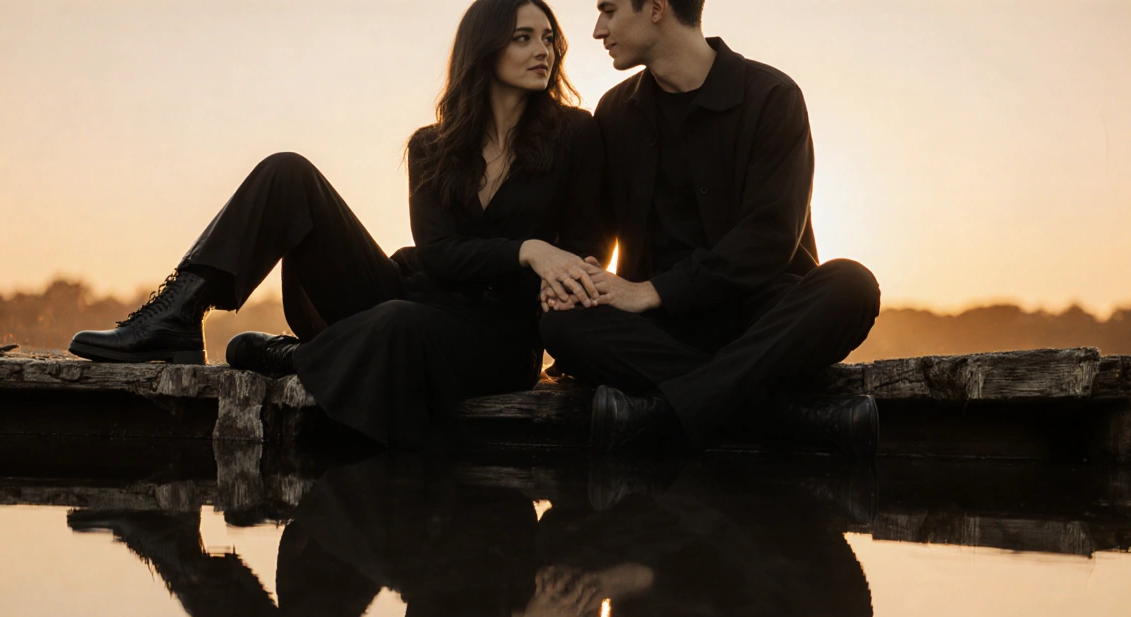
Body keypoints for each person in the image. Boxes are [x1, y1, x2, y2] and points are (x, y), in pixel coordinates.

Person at [68, 0, 610, 448]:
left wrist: (544, 266)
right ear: (485, 47)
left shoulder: (574, 135)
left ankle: (296, 357)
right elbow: (440, 251)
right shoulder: (432, 146)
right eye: (524, 37)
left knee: (399, 320)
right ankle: (178, 312)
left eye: (549, 39)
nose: (544, 50)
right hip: (418, 295)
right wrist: (528, 249)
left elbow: (586, 249)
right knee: (288, 172)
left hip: (498, 338)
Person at [538, 0, 882, 456]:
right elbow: (595, 237)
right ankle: (788, 418)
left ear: (657, 8)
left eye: (610, 10)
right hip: (663, 331)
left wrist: (649, 291)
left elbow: (771, 238)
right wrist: (573, 277)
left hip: (760, 315)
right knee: (561, 325)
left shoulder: (772, 96)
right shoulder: (615, 112)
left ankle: (662, 415)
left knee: (851, 286)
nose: (599, 29)